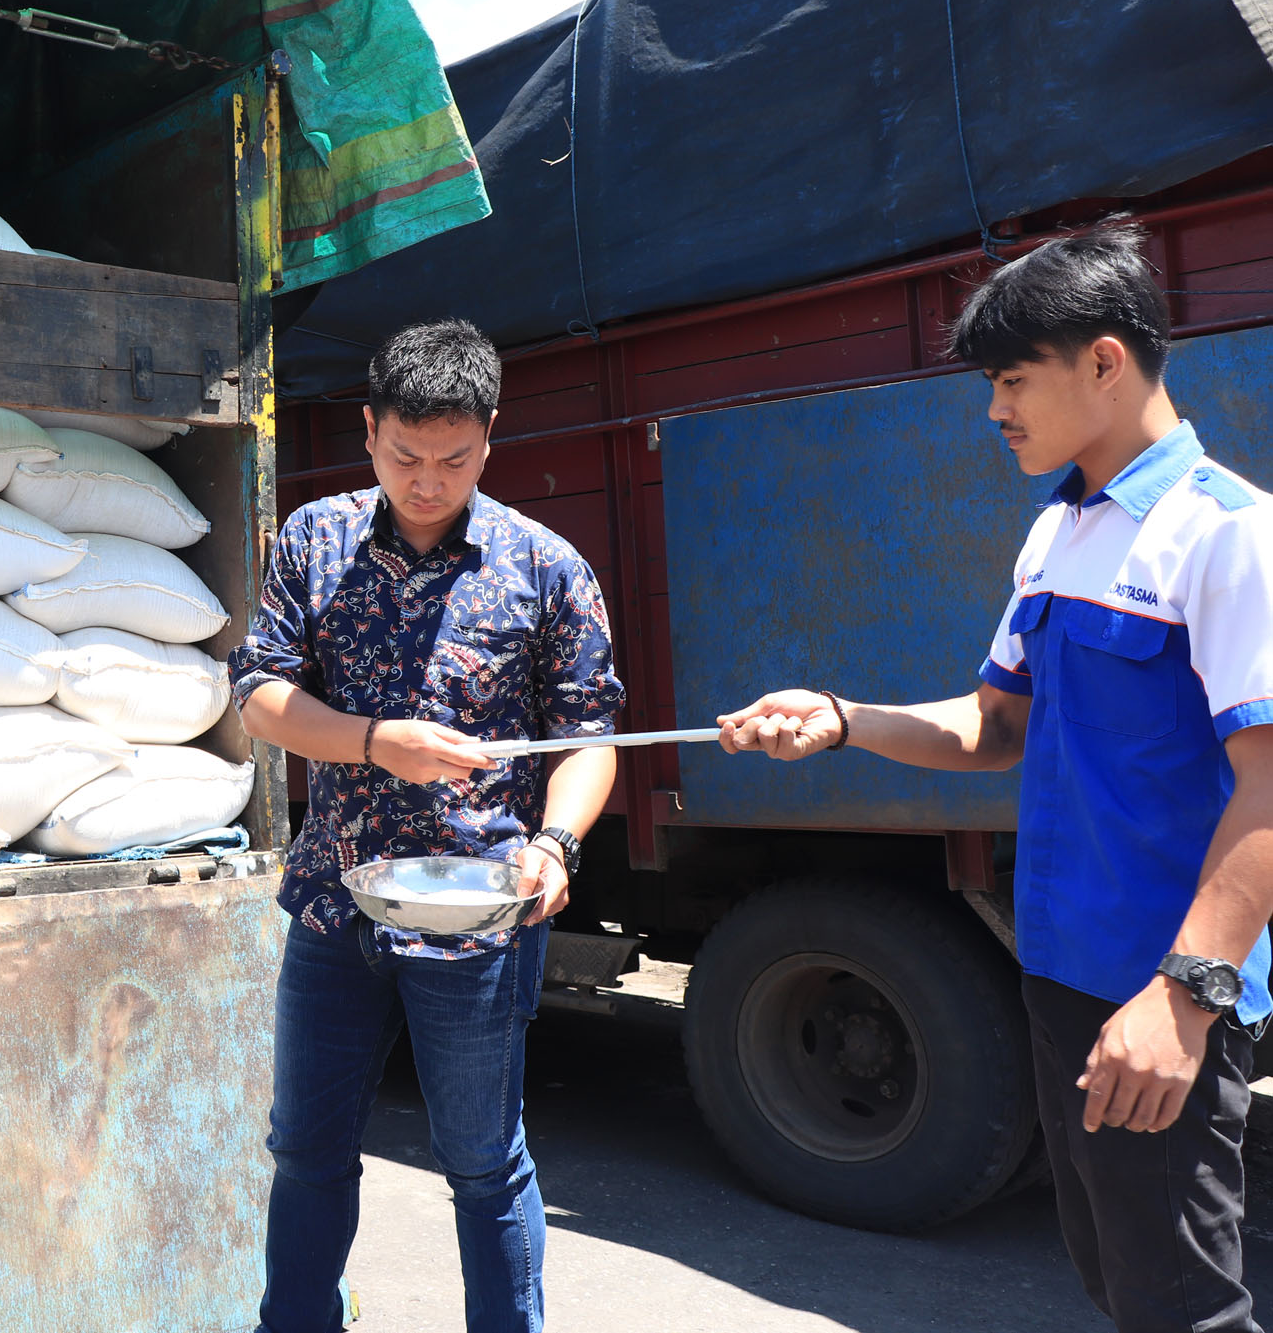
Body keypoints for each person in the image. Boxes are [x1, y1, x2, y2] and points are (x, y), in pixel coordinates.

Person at [720, 224, 1273, 1333]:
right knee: (1116, 1279)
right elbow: (990, 726)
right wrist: (838, 718)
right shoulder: (1055, 535)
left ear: (1104, 362)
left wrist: (1184, 994)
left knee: (1182, 1308)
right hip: (1059, 975)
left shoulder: (1224, 534)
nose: (993, 410)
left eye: (1012, 379)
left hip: (1154, 989)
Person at [230, 319, 624, 1333]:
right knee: (305, 1150)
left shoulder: (543, 566)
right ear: (367, 431)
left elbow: (588, 740)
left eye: (452, 458)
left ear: (489, 438)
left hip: (478, 917)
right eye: (404, 455)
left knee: (484, 1163)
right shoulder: (312, 540)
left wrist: (555, 843)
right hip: (332, 908)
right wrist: (369, 739)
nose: (426, 479)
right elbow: (259, 696)